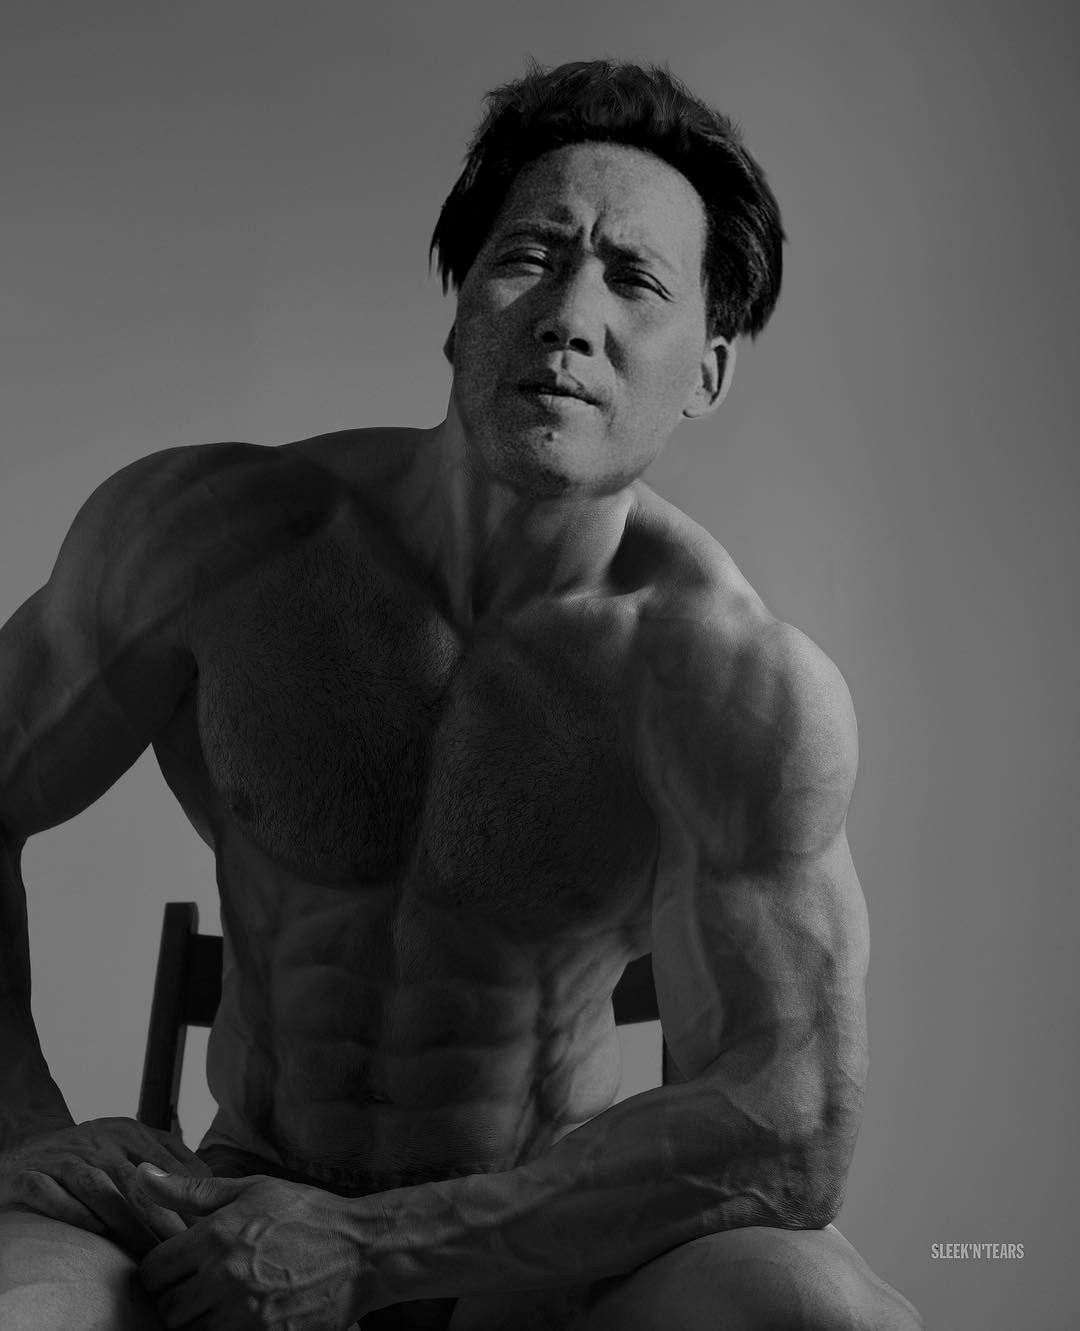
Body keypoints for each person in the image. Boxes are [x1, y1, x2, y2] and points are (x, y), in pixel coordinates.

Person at [0, 58, 921, 1331]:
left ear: (706, 372)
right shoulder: (208, 539)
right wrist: (21, 1124)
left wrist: (370, 1248)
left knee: (821, 1310)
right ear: (457, 312)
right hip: (222, 1208)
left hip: (534, 1246)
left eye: (635, 281)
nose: (568, 317)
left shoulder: (730, 682)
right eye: (530, 257)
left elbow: (793, 1122)